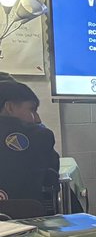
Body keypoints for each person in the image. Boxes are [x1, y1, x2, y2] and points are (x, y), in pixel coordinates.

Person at [0, 81, 58, 211]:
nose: (37, 119)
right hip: (28, 220)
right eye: (32, 109)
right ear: (9, 107)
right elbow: (51, 179)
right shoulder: (42, 136)